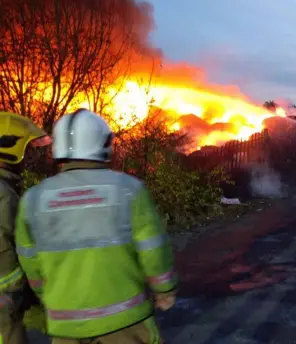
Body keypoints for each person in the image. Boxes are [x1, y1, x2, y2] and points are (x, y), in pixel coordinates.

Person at [14, 109, 177, 343]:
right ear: (103, 143)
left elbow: (31, 264)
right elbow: (152, 248)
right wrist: (165, 290)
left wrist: (48, 297)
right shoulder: (128, 189)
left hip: (66, 326)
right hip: (125, 322)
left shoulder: (33, 199)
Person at [0, 112, 49, 344]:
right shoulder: (3, 196)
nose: (29, 157)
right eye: (26, 149)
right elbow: (6, 257)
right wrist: (27, 292)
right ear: (11, 149)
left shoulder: (6, 188)